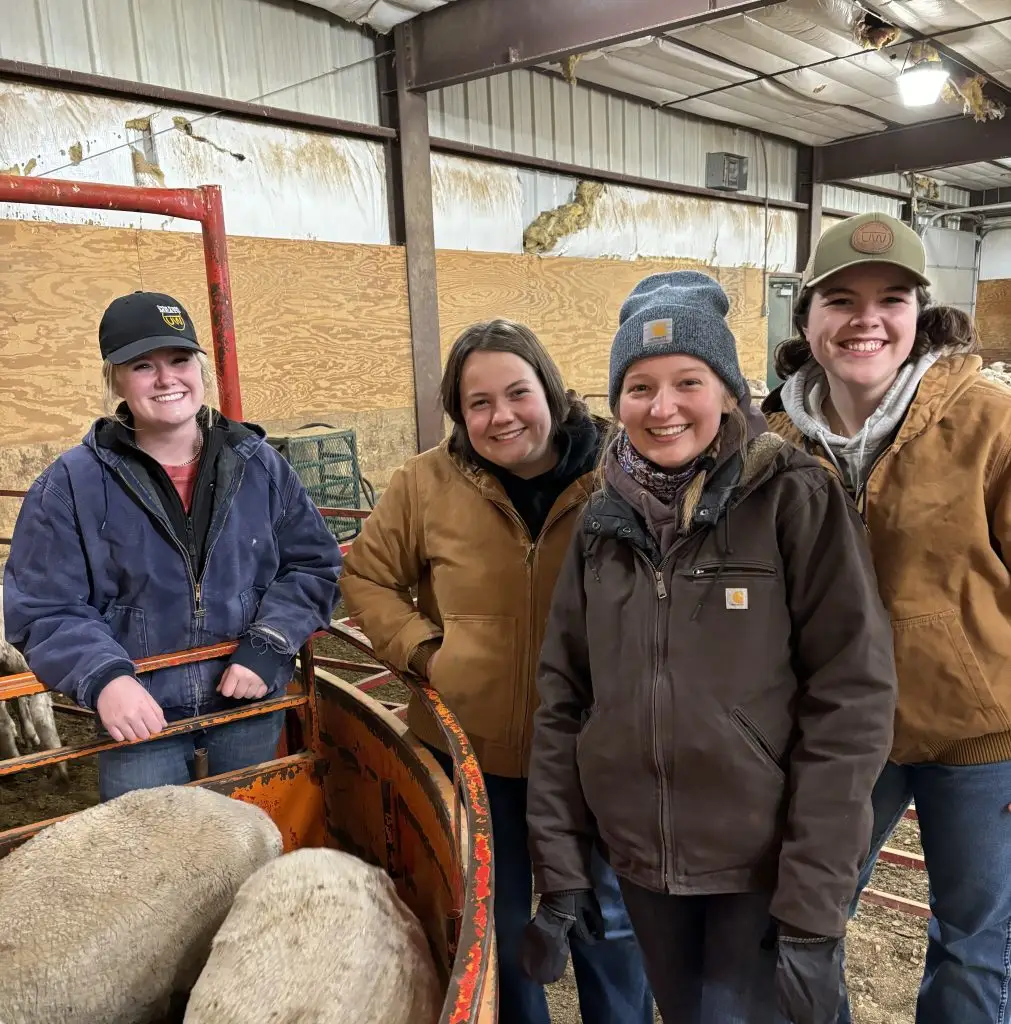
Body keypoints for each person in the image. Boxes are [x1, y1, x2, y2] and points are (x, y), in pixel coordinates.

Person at [525, 271, 898, 1024]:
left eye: (687, 381)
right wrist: (561, 869)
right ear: (615, 401)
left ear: (729, 390)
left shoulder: (793, 496)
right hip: (640, 859)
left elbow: (849, 695)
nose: (661, 408)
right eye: (638, 386)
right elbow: (564, 693)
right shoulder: (600, 521)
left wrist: (814, 907)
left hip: (758, 861)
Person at [340, 319, 654, 1024]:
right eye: (478, 402)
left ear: (551, 389)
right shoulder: (424, 483)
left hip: (599, 750)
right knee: (499, 917)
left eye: (517, 392)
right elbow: (366, 578)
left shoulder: (623, 472)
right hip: (476, 751)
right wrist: (427, 652)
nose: (501, 415)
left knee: (609, 916)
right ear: (458, 412)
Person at [761, 211, 1011, 1024]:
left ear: (919, 314)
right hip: (838, 736)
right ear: (807, 318)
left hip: (980, 736)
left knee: (975, 940)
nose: (865, 318)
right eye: (840, 299)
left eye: (890, 298)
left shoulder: (986, 421)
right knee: (805, 918)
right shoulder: (769, 445)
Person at [3, 291, 342, 801]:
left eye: (179, 360)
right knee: (156, 869)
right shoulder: (71, 485)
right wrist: (106, 680)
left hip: (248, 705)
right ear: (114, 378)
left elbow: (313, 565)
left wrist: (270, 643)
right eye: (142, 365)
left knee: (252, 850)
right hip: (140, 724)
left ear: (199, 368)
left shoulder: (258, 465)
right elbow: (44, 604)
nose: (166, 379)